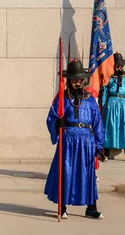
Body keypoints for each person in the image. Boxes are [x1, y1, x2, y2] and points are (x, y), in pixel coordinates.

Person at [44, 59, 105, 219]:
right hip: (68, 141)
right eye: (74, 79)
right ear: (69, 79)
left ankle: (91, 207)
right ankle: (62, 206)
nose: (77, 82)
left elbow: (98, 123)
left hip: (86, 142)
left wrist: (99, 146)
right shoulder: (62, 98)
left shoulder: (90, 100)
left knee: (88, 174)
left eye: (79, 79)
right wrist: (58, 123)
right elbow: (51, 117)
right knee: (66, 172)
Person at [102, 52, 125, 162]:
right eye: (117, 64)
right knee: (109, 127)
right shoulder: (109, 77)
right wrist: (103, 107)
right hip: (111, 104)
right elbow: (105, 92)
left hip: (123, 105)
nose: (119, 67)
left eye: (121, 65)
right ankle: (106, 153)